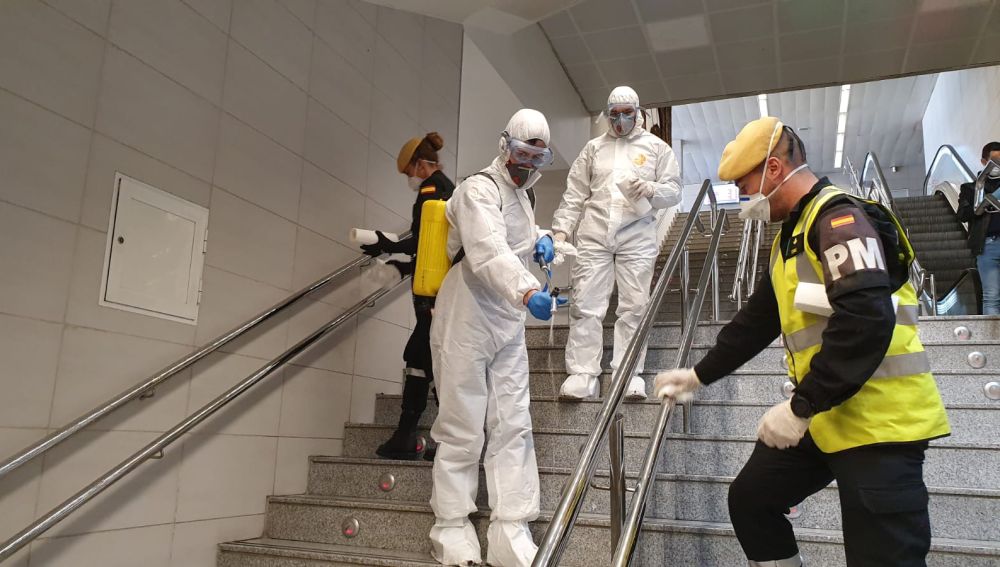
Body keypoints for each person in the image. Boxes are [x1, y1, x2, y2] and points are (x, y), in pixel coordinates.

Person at [654, 116, 950, 567]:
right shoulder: (788, 238)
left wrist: (800, 407)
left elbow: (866, 321)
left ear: (774, 169)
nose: (744, 197)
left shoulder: (840, 218)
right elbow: (758, 320)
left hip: (880, 422)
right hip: (828, 417)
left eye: (745, 183)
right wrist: (697, 375)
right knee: (752, 500)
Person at [427, 109, 560, 567]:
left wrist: (542, 237)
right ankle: (450, 528)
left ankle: (510, 528)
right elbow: (486, 250)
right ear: (505, 146)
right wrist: (526, 289)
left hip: (506, 318)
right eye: (522, 155)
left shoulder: (523, 195)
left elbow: (514, 236)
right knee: (462, 423)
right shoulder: (476, 188)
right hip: (467, 310)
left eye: (536, 159)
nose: (527, 166)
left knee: (513, 423)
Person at [552, 86, 682, 401]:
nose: (621, 121)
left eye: (627, 114)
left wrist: (650, 189)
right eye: (615, 115)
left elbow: (675, 190)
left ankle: (628, 374)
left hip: (636, 235)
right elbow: (574, 193)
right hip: (594, 235)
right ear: (607, 115)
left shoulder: (656, 148)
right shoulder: (593, 149)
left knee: (635, 307)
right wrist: (560, 231)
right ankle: (583, 375)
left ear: (639, 113)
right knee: (585, 305)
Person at [359, 132, 455, 460]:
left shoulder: (433, 189)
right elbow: (427, 246)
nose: (409, 179)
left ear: (419, 164)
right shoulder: (443, 187)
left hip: (434, 295)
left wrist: (387, 245)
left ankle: (426, 437)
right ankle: (420, 436)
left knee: (427, 358)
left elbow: (424, 241)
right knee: (423, 359)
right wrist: (398, 262)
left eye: (408, 172)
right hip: (435, 290)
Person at [957, 141, 1000, 314]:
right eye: (994, 160)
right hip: (987, 245)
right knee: (992, 295)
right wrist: (981, 206)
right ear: (984, 161)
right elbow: (962, 214)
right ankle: (993, 340)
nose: (998, 165)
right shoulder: (971, 188)